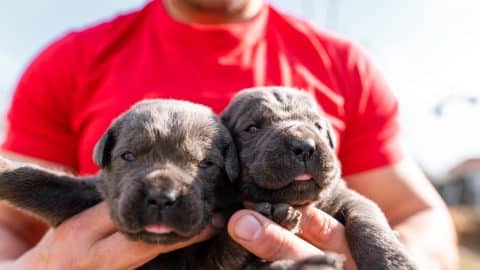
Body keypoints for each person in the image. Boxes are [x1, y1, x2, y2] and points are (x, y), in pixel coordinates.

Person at [0, 0, 458, 269]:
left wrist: (390, 258)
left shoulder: (345, 64)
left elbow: (419, 213)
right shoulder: (69, 61)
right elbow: (9, 224)